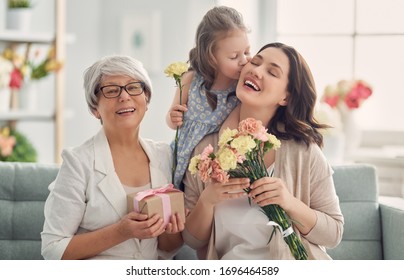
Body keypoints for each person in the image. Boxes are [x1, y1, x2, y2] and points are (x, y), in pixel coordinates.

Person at [181, 42, 344, 259]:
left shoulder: (305, 153)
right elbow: (192, 241)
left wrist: (289, 202)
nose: (256, 71)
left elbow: (333, 233)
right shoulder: (206, 151)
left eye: (272, 72)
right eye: (255, 62)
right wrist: (207, 200)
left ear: (285, 97)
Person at [41, 55, 185, 260]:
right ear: (94, 109)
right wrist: (121, 232)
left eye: (134, 87)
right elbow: (53, 249)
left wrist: (172, 231)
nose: (124, 96)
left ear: (146, 98)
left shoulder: (165, 156)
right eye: (111, 91)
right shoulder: (78, 163)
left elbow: (165, 249)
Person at [166, 6, 251, 190]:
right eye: (234, 56)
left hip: (212, 163)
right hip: (182, 156)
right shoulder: (191, 80)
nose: (244, 60)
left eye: (247, 52)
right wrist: (173, 117)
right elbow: (172, 122)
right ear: (211, 57)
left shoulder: (240, 90)